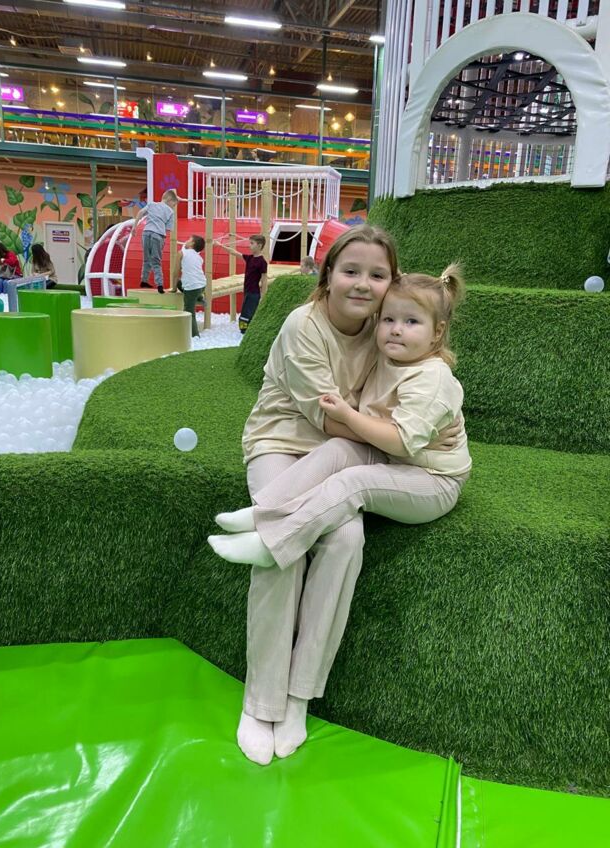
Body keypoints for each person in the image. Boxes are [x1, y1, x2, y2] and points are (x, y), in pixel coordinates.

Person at [202, 224, 459, 768]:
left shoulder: (388, 329)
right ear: (327, 276)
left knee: (344, 540)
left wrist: (419, 435)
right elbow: (330, 419)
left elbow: (415, 400)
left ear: (391, 284)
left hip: (351, 452)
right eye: (351, 271)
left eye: (377, 274)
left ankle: (298, 696)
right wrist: (392, 438)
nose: (363, 284)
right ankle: (261, 703)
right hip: (284, 444)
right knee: (285, 554)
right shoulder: (304, 325)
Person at [210, 264, 471, 570]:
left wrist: (347, 414)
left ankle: (273, 543)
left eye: (411, 322)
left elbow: (400, 441)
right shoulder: (392, 356)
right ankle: (264, 512)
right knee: (337, 449)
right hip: (397, 461)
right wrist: (388, 275)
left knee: (354, 481)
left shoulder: (431, 377)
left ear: (437, 332)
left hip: (433, 481)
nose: (396, 329)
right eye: (388, 319)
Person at [132, 188, 181, 294]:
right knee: (156, 261)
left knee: (146, 259)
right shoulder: (170, 211)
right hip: (158, 235)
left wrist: (134, 227)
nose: (173, 207)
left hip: (146, 233)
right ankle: (160, 285)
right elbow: (168, 229)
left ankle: (144, 280)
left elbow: (140, 212)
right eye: (173, 204)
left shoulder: (151, 204)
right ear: (170, 200)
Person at [215, 234, 267, 333]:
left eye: (252, 243)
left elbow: (264, 279)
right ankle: (246, 330)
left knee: (247, 312)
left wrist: (263, 295)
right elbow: (234, 252)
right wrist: (220, 245)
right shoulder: (249, 258)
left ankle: (245, 331)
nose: (249, 245)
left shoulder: (262, 262)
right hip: (247, 290)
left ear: (259, 245)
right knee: (247, 311)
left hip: (254, 292)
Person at [173, 234, 206, 338]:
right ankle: (199, 298)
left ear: (192, 244)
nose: (186, 241)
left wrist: (173, 288)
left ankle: (195, 336)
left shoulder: (181, 253)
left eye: (188, 239)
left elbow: (175, 272)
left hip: (192, 288)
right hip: (202, 285)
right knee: (181, 282)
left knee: (189, 312)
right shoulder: (199, 257)